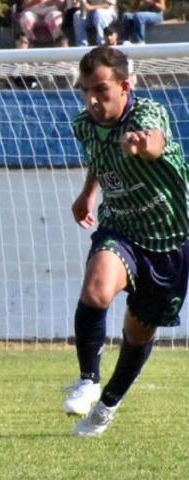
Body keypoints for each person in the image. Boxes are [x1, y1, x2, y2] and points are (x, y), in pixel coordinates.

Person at [63, 45, 189, 437]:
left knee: (138, 333)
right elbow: (100, 158)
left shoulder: (147, 113)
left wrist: (141, 146)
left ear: (125, 85)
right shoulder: (83, 124)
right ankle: (87, 379)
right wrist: (88, 192)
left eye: (101, 89)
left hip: (170, 240)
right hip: (120, 229)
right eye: (85, 90)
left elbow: (155, 141)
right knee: (97, 290)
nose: (93, 99)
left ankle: (107, 406)